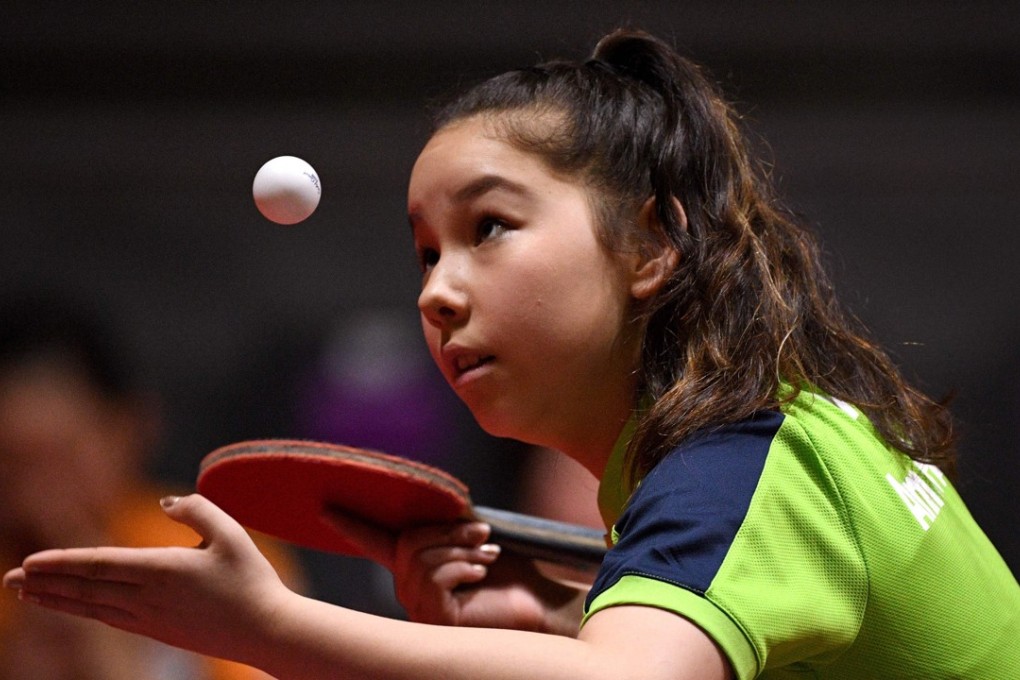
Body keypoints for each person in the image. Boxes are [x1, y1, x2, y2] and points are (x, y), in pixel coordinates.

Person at [4, 29, 1019, 679]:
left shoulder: (738, 463)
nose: (436, 291)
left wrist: (268, 627)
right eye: (424, 251)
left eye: (488, 226)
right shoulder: (776, 430)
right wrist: (553, 627)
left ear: (653, 243)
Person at [0, 292, 300, 679]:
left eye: (61, 458)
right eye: (14, 463)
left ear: (130, 427)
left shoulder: (210, 552)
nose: (41, 494)